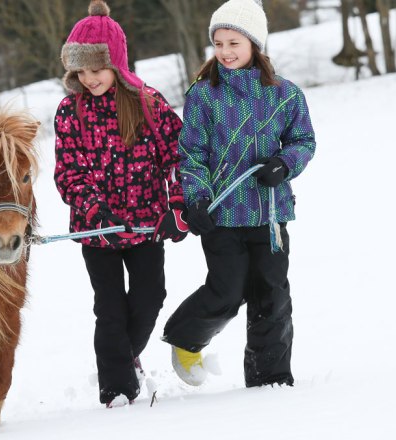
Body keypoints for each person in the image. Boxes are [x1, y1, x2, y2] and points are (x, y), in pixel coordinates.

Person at [162, 0, 316, 388]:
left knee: (272, 295)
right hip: (222, 214)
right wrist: (195, 198)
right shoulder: (203, 95)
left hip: (268, 213)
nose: (226, 52)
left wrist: (284, 164)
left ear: (255, 44)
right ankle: (186, 336)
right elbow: (191, 152)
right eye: (219, 43)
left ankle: (271, 379)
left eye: (234, 42)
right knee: (228, 289)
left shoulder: (284, 94)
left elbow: (303, 140)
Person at [54, 0, 188, 407]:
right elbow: (68, 173)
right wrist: (96, 211)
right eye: (80, 70)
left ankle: (127, 356)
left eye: (96, 69)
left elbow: (179, 156)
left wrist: (177, 206)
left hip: (148, 225)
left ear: (117, 63)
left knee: (150, 297)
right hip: (98, 232)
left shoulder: (148, 103)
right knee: (109, 309)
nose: (88, 79)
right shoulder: (69, 111)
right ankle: (116, 388)